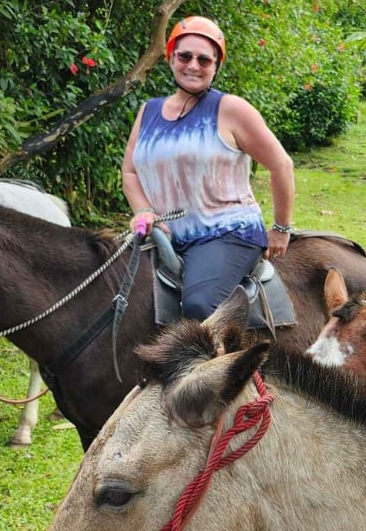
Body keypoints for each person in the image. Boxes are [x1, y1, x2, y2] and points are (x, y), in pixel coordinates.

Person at [120, 16, 296, 319]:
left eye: (205, 60)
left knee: (200, 307)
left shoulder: (231, 109)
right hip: (166, 235)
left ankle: (240, 367)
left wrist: (281, 228)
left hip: (226, 233)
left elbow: (281, 165)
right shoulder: (148, 111)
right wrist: (143, 210)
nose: (193, 65)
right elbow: (130, 172)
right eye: (185, 56)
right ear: (171, 57)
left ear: (216, 67)